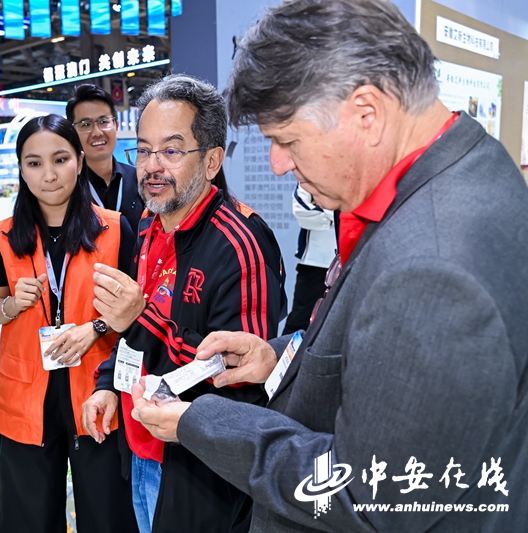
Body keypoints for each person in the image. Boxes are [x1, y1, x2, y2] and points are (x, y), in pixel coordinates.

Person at [128, 1, 528, 531]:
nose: (278, 164)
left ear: (367, 113)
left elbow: (368, 498)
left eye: (287, 140)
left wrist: (201, 420)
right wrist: (278, 359)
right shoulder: (463, 168)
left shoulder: (433, 266)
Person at [83, 74, 285, 533]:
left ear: (211, 161)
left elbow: (240, 382)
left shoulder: (241, 244)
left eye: (171, 151)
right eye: (144, 150)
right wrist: (108, 384)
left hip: (200, 470)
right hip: (140, 446)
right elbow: (133, 330)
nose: (152, 166)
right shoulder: (150, 224)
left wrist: (140, 318)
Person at [0, 114, 138, 533]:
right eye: (34, 163)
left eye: (60, 159)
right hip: (25, 394)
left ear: (80, 161)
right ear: (21, 169)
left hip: (96, 391)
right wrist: (12, 305)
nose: (48, 175)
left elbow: (136, 312)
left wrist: (97, 328)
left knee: (106, 515)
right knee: (27, 518)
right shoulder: (5, 235)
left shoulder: (115, 230)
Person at [67, 84, 145, 233]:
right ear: (73, 132)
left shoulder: (139, 178)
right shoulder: (68, 187)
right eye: (86, 124)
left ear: (116, 126)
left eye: (103, 122)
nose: (97, 132)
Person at [282, 183, 337, 334]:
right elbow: (301, 210)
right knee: (300, 321)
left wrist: (325, 209)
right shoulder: (311, 173)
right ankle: (286, 351)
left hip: (348, 259)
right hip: (315, 262)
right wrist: (340, 216)